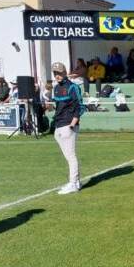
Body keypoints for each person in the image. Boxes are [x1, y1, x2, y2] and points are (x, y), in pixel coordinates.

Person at [50, 62, 84, 195]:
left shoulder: (73, 87)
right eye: (55, 73)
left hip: (68, 125)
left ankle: (73, 183)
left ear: (64, 72)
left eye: (59, 73)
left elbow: (80, 106)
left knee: (71, 156)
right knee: (68, 156)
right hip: (59, 125)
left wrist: (73, 123)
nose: (57, 76)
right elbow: (59, 106)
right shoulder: (56, 88)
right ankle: (76, 182)